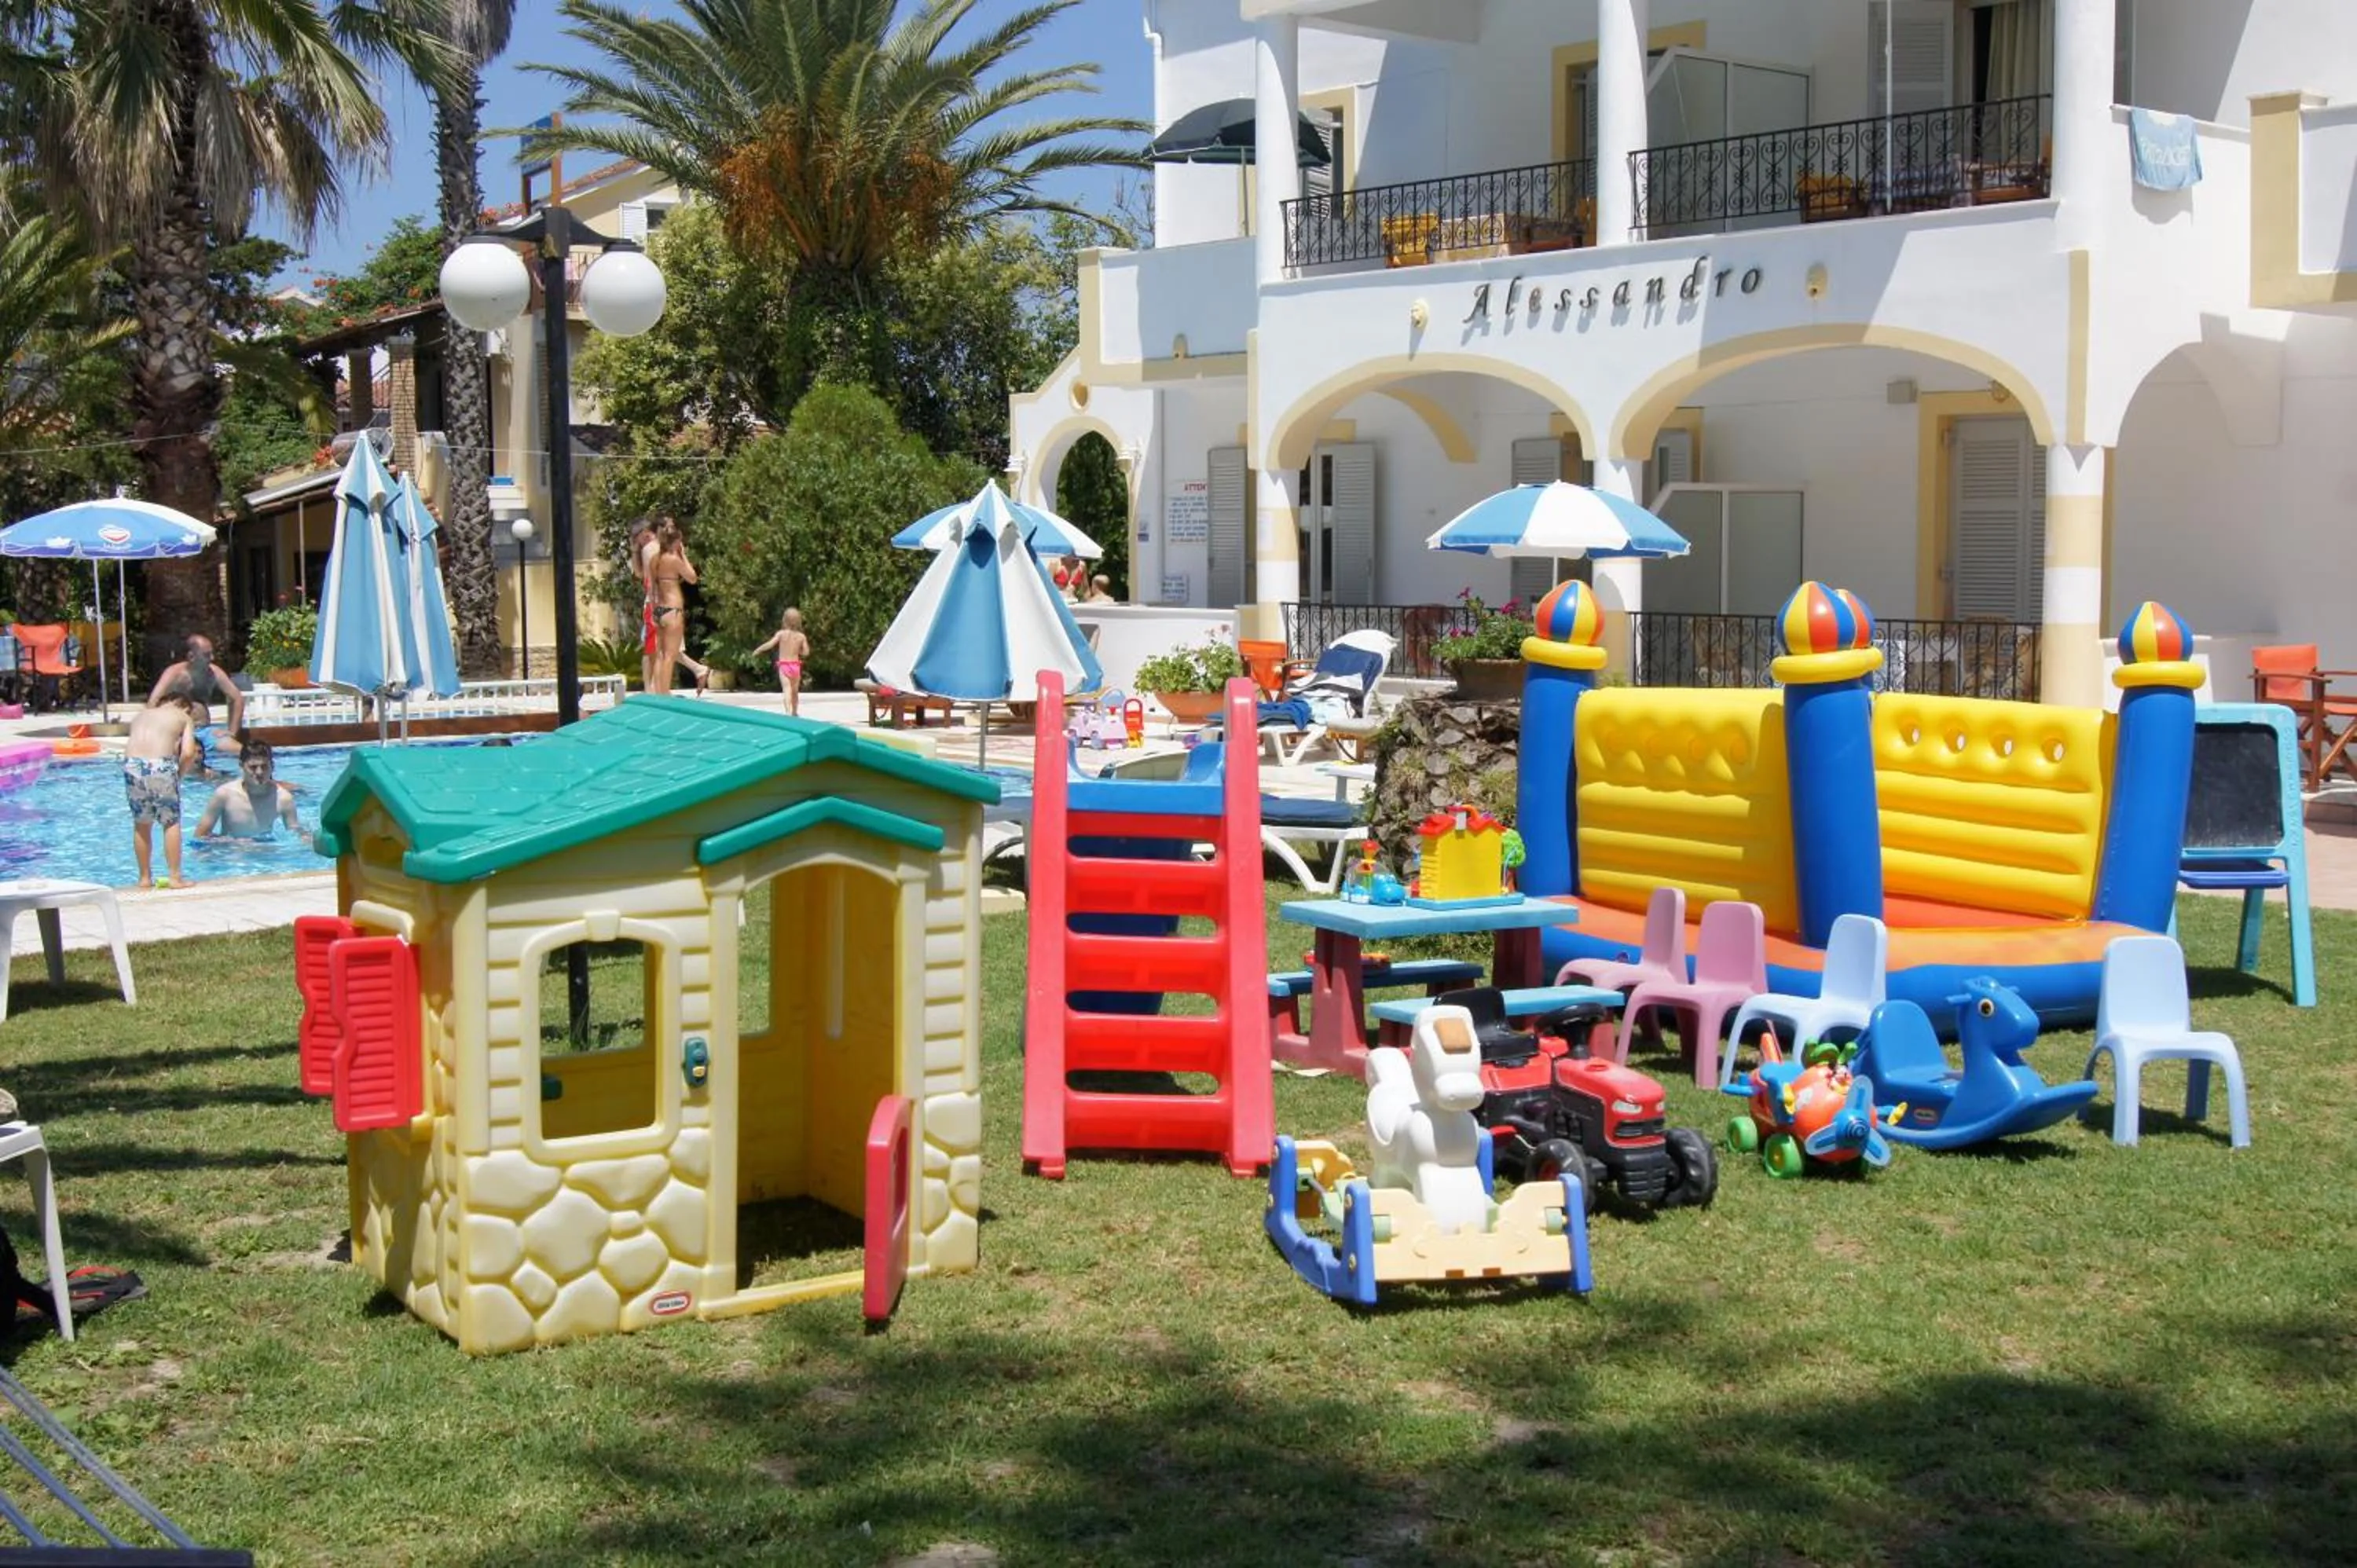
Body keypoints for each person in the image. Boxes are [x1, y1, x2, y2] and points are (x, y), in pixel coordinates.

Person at [123, 693, 200, 888]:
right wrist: (178, 775)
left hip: (132, 765)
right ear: (183, 706)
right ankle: (175, 878)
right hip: (160, 766)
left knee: (142, 823)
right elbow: (189, 753)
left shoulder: (141, 715)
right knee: (171, 822)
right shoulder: (183, 716)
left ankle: (144, 878)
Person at [634, 516, 709, 696]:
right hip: (673, 609)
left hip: (658, 609)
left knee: (659, 654)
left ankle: (659, 693)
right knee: (670, 654)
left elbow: (649, 585)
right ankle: (664, 692)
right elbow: (692, 577)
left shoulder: (654, 560)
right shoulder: (673, 558)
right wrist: (682, 555)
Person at [196, 738, 302, 842]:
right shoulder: (224, 795)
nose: (260, 772)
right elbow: (200, 836)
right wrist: (235, 843)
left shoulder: (283, 799)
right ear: (241, 766)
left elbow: (294, 837)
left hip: (267, 856)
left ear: (272, 766)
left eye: (264, 766)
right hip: (232, 857)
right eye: (253, 767)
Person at [146, 634, 245, 745]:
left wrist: (232, 732)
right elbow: (153, 702)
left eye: (212, 653)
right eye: (207, 655)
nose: (212, 658)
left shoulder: (214, 673)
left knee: (236, 750)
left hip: (204, 730)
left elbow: (237, 699)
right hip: (179, 734)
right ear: (191, 657)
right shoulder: (174, 674)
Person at [750, 607, 812, 716]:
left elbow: (770, 644)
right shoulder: (801, 637)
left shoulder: (781, 634)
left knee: (787, 690)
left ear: (784, 620)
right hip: (795, 665)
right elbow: (806, 652)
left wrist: (758, 650)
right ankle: (795, 712)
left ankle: (788, 712)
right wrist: (799, 651)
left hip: (784, 665)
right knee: (795, 692)